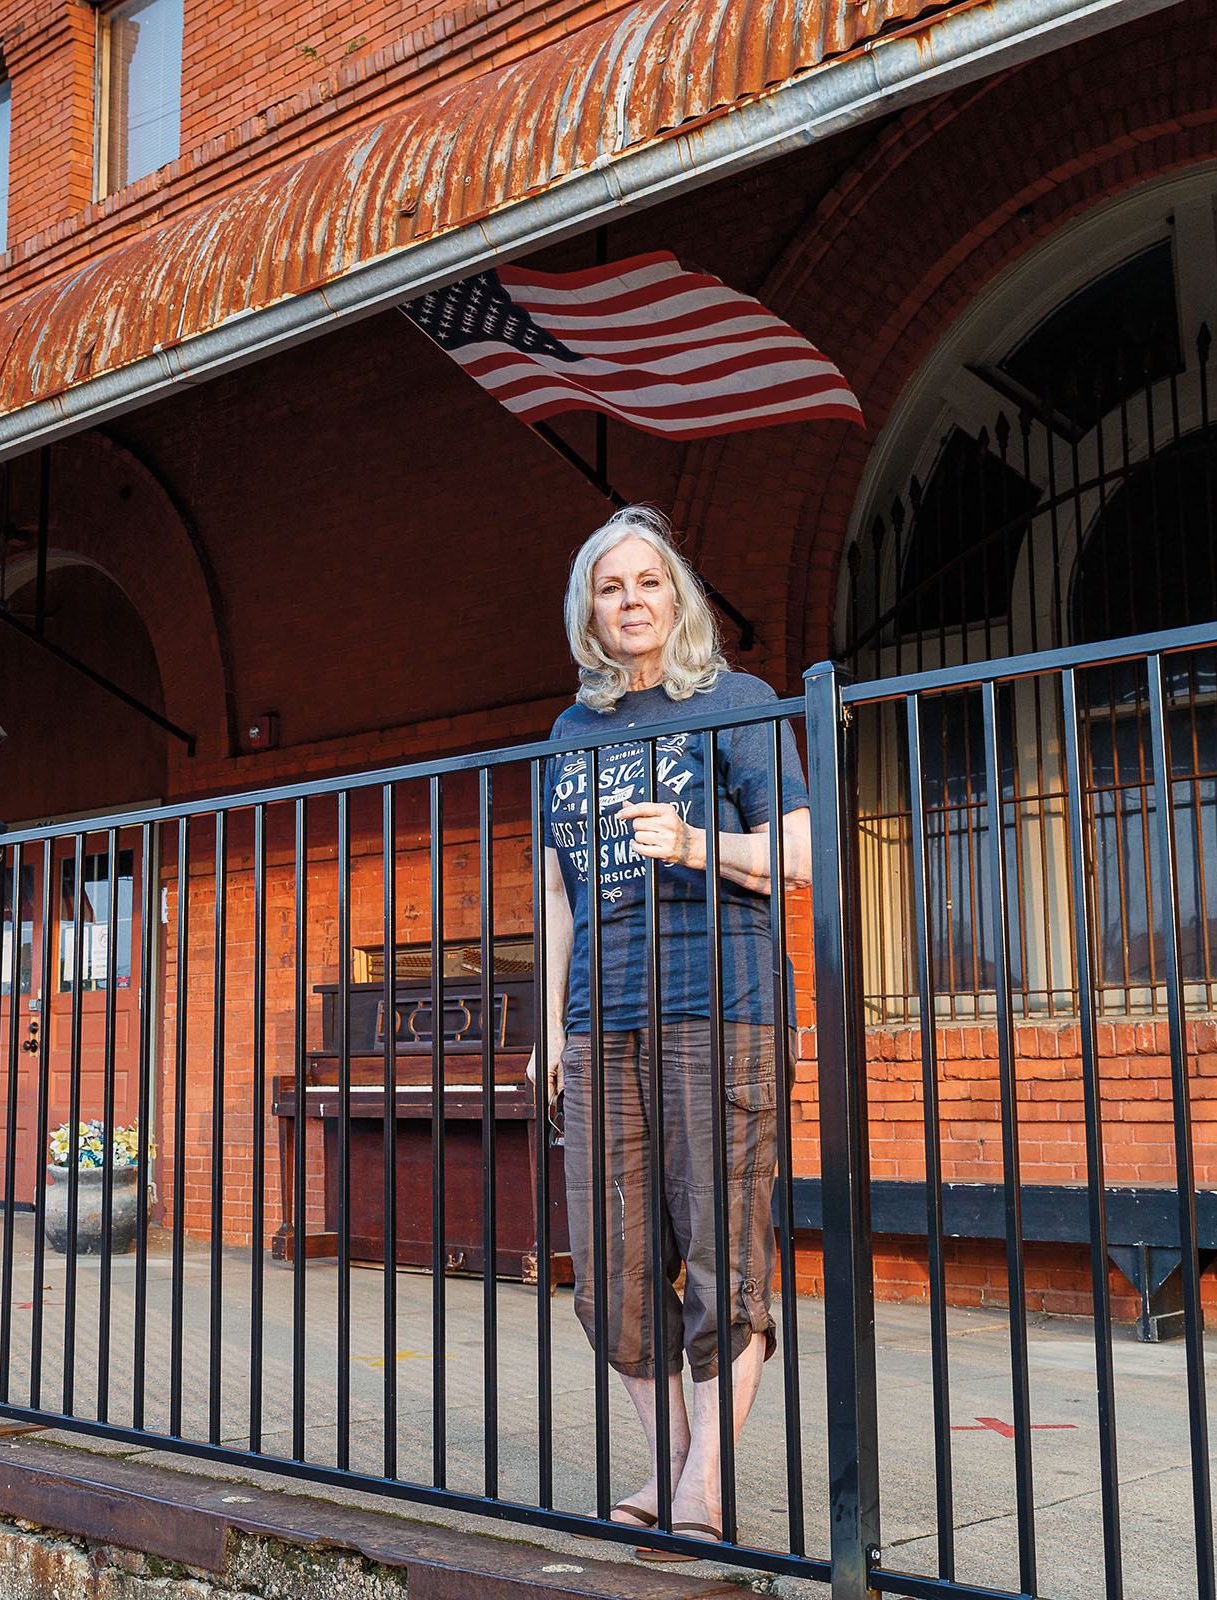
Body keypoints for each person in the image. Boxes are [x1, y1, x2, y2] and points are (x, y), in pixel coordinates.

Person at [531, 504, 810, 1553]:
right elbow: (560, 891)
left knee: (720, 1246)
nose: (631, 600)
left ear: (677, 596)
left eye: (649, 581)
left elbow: (803, 852)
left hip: (719, 1000)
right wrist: (553, 1026)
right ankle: (665, 1459)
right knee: (611, 1261)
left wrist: (695, 842)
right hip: (603, 1014)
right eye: (611, 587)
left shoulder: (733, 703)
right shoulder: (574, 730)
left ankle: (708, 1479)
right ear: (590, 614)